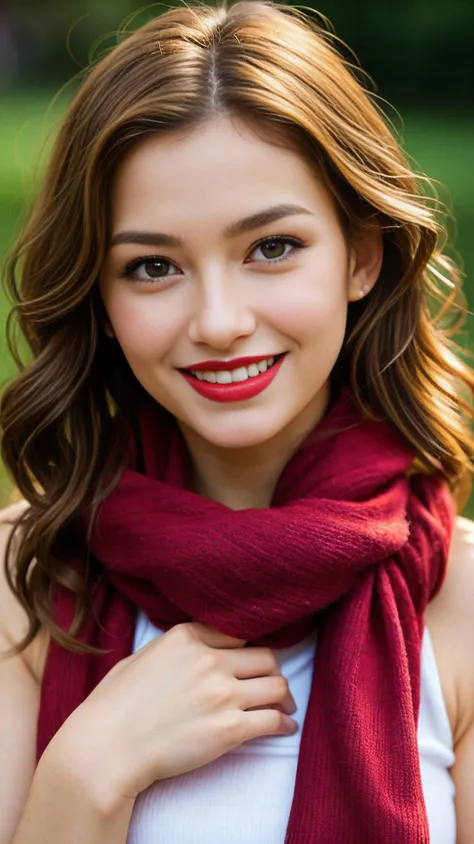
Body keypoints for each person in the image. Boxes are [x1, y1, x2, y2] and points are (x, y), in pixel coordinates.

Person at [0, 1, 473, 842]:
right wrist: (88, 771)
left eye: (271, 248)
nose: (218, 321)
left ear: (360, 256)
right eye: (152, 266)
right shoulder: (22, 587)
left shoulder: (463, 602)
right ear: (101, 302)